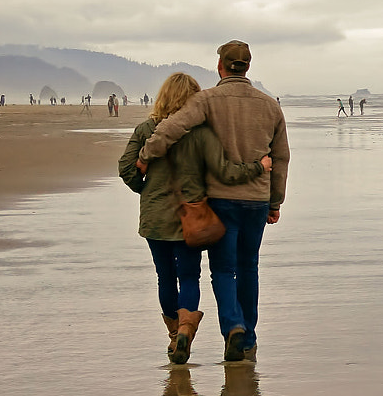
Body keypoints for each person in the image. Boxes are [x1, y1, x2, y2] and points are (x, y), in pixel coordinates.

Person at [138, 41, 290, 363]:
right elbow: (281, 157)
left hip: (221, 199)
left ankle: (232, 326)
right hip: (257, 200)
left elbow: (172, 127)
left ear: (220, 66)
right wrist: (275, 201)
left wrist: (146, 154)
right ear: (247, 67)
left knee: (223, 269)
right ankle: (246, 337)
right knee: (249, 267)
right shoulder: (270, 106)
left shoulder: (207, 100)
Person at [120, 73, 268, 365]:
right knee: (189, 276)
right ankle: (187, 329)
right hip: (193, 216)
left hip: (155, 217)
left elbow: (127, 169)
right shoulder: (202, 134)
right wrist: (258, 167)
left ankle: (176, 335)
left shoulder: (146, 129)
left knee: (165, 277)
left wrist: (145, 188)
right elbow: (225, 171)